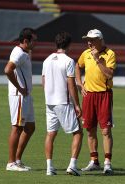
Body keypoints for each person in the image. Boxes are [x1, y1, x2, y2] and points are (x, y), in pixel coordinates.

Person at [75, 29, 116, 175]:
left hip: (104, 95)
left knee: (105, 130)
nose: (89, 42)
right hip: (89, 96)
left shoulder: (110, 54)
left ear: (100, 40)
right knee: (90, 129)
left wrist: (98, 59)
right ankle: (94, 161)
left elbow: (110, 74)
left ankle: (107, 163)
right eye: (88, 40)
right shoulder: (85, 53)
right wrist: (79, 83)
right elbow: (77, 66)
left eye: (92, 40)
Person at [42, 31, 83, 176]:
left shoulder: (47, 60)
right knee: (78, 133)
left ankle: (49, 167)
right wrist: (77, 105)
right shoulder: (69, 61)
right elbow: (71, 85)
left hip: (50, 102)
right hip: (63, 102)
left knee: (51, 134)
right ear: (69, 44)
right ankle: (72, 165)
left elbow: (43, 81)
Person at [4, 28, 37, 171]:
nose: (35, 43)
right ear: (26, 41)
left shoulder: (24, 53)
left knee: (30, 127)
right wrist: (20, 87)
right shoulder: (18, 53)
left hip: (26, 96)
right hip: (19, 96)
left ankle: (17, 159)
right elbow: (7, 70)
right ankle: (11, 163)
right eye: (34, 40)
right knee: (17, 127)